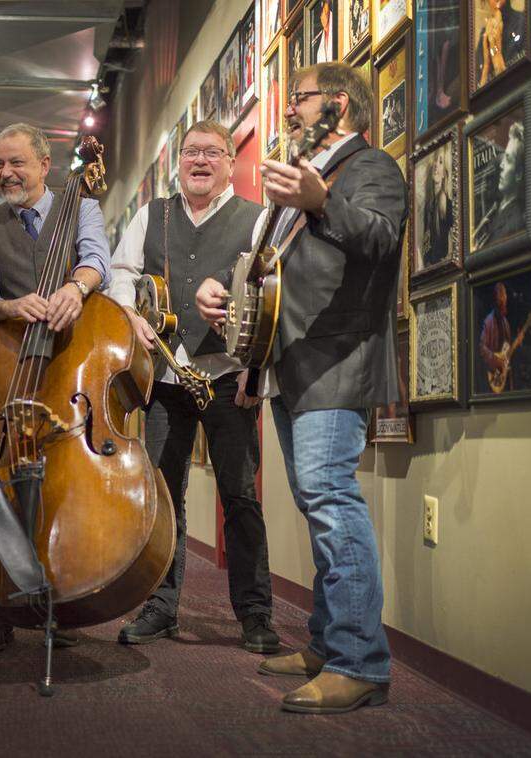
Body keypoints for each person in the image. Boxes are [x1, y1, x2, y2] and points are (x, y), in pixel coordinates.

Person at [200, 61, 406, 714]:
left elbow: (381, 238)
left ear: (339, 104)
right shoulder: (297, 190)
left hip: (337, 362)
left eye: (300, 99)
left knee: (331, 502)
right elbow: (271, 286)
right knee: (320, 507)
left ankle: (359, 662)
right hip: (290, 370)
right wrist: (235, 325)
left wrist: (322, 202)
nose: (290, 110)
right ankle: (326, 643)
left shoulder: (370, 168)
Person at [106, 120, 277, 653]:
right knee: (163, 496)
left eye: (211, 152)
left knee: (241, 496)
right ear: (178, 161)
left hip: (228, 378)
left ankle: (255, 614)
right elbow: (119, 273)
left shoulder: (257, 219)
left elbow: (271, 293)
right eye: (190, 153)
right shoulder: (150, 216)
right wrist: (129, 312)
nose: (199, 161)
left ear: (230, 161)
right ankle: (161, 608)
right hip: (164, 377)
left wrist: (255, 369)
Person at [0, 122, 110, 651]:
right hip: (12, 366)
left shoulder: (82, 208)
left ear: (45, 165)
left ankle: (58, 598)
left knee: (61, 485)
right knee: (2, 485)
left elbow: (96, 261)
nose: (6, 173)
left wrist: (76, 285)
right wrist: (9, 306)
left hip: (70, 362)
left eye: (16, 163)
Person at [476, 122, 525, 246]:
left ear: (519, 173)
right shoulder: (496, 207)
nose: (501, 165)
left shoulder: (515, 222)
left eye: (508, 159)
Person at [476, 0, 526, 87]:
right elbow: (479, 84)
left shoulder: (523, 23)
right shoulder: (484, 35)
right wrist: (487, 62)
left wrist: (496, 52)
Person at [479, 282, 514, 390]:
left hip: (504, 375)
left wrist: (517, 342)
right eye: (501, 296)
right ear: (496, 300)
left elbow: (507, 349)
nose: (504, 299)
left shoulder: (506, 323)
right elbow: (482, 348)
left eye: (504, 295)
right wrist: (496, 360)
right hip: (492, 376)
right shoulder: (489, 321)